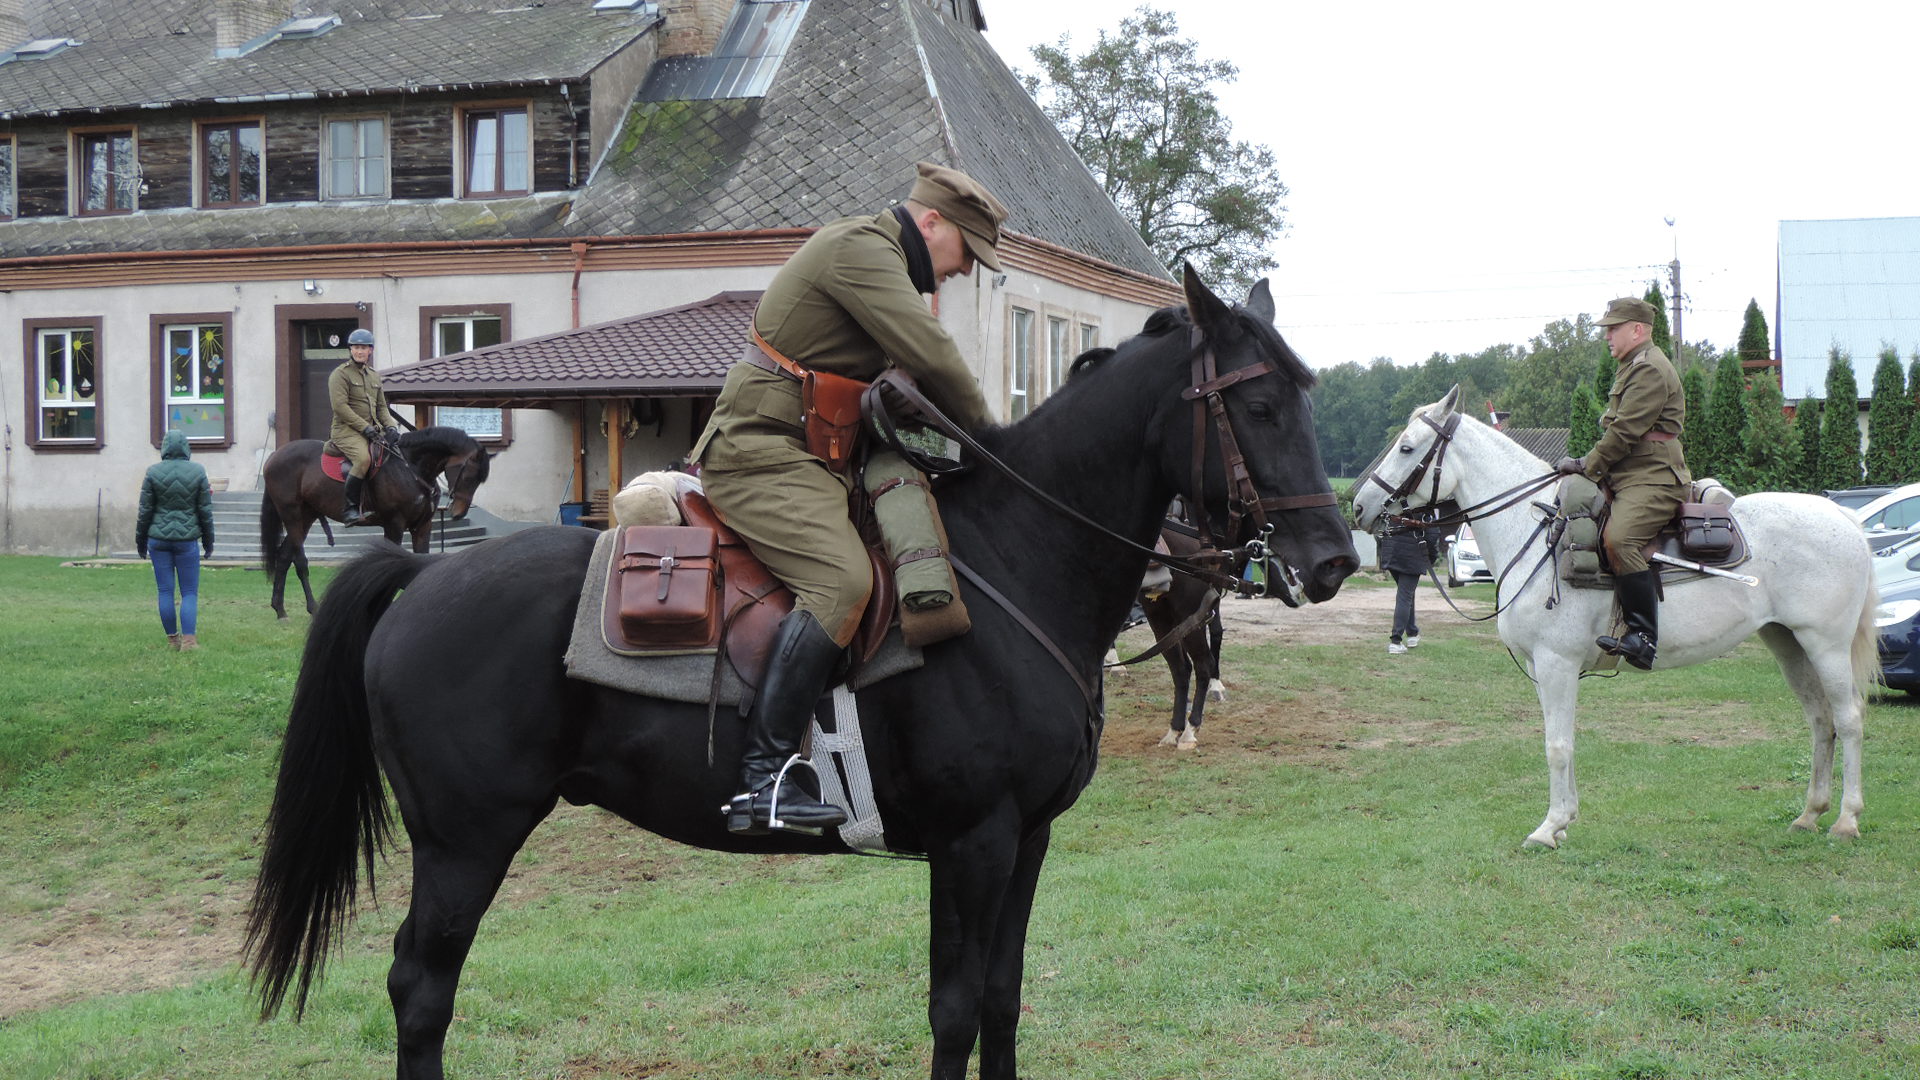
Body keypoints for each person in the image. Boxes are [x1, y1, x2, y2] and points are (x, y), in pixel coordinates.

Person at [691, 161, 1006, 835]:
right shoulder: (860, 250)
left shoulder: (881, 262)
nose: (962, 271)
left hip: (820, 461)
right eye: (965, 253)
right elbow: (932, 355)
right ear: (932, 223)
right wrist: (996, 446)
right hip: (761, 453)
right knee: (841, 581)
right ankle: (763, 780)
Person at [1554, 296, 1690, 670]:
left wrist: (1587, 467)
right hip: (1629, 476)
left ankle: (1644, 638)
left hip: (1654, 480)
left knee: (1620, 539)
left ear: (1637, 330)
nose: (1607, 336)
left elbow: (1625, 432)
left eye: (1613, 328)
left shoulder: (1649, 369)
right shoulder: (1631, 366)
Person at [136, 429, 216, 650]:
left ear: (164, 448)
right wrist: (209, 541)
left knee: (165, 591)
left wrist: (140, 541)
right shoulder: (198, 471)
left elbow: (144, 511)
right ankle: (189, 640)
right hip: (187, 540)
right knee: (189, 592)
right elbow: (205, 511)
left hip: (157, 539)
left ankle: (173, 639)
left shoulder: (153, 472)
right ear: (186, 447)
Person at [328, 327, 396, 526]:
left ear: (370, 351)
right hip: (346, 431)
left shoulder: (374, 376)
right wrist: (365, 427)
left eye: (363, 348)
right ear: (350, 350)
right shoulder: (340, 374)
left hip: (372, 431)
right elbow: (340, 407)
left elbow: (382, 407)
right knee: (364, 459)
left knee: (394, 456)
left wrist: (391, 427)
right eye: (356, 347)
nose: (359, 351)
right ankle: (350, 509)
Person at [1378, 518, 1439, 655]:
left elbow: (1383, 531)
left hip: (1392, 554)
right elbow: (1433, 534)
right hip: (1413, 556)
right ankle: (1396, 641)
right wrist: (1431, 558)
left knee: (1406, 594)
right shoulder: (1425, 509)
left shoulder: (1398, 506)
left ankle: (1412, 633)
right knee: (1405, 597)